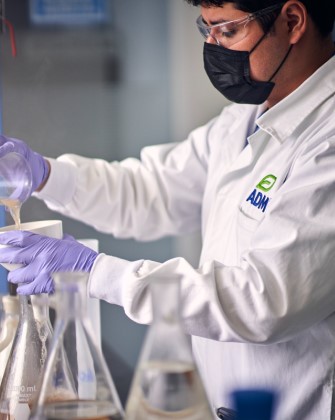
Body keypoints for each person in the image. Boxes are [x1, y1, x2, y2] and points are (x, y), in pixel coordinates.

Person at [0, 0, 334, 418]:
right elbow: (149, 191)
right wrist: (46, 175)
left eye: (227, 31)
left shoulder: (327, 141)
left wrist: (95, 273)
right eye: (206, 30)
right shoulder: (242, 120)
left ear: (292, 21)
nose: (212, 46)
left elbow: (262, 300)